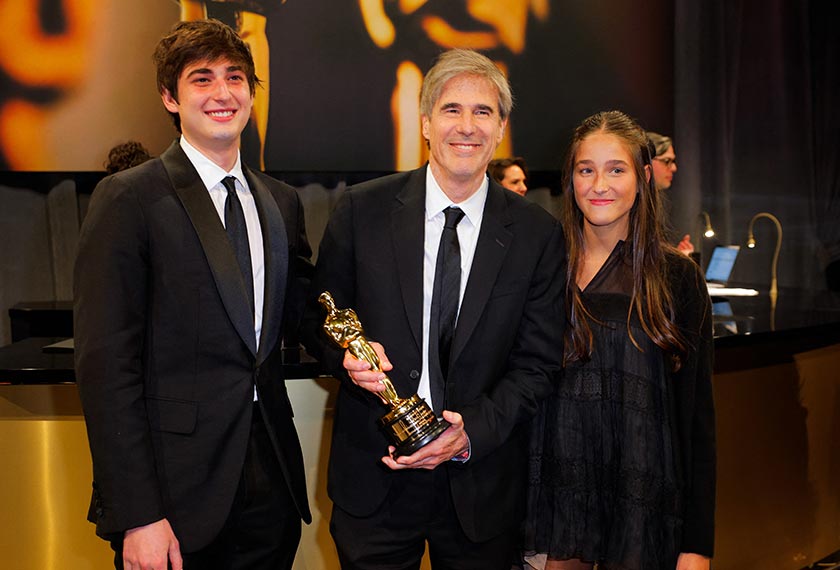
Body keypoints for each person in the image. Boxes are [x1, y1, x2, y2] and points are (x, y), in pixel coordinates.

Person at [301, 49, 564, 569]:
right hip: (375, 479)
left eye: (483, 112)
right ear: (424, 123)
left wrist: (470, 434)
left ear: (502, 127)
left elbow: (537, 366)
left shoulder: (538, 235)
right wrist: (345, 360)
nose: (466, 127)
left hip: (480, 486)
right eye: (451, 110)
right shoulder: (361, 210)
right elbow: (318, 319)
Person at [74, 19, 312, 570]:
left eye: (235, 77)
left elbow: (300, 308)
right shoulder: (129, 198)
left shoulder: (281, 201)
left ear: (252, 92)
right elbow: (107, 370)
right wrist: (138, 514)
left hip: (271, 479)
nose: (222, 93)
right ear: (169, 97)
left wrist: (351, 348)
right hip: (171, 495)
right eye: (201, 79)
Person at [523, 111, 715, 570]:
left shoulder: (677, 277)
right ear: (570, 179)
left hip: (642, 506)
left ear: (644, 176)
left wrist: (697, 544)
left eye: (616, 169)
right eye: (586, 169)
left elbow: (698, 421)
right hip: (556, 505)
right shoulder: (543, 267)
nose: (599, 185)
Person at [648, 131, 694, 255]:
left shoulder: (652, 203)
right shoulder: (632, 205)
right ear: (647, 163)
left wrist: (675, 256)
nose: (674, 168)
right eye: (667, 161)